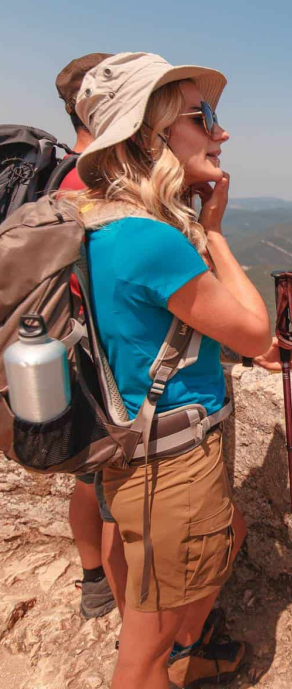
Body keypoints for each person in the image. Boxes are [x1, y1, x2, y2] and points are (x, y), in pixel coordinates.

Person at [70, 51, 292, 689]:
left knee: (227, 534)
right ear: (151, 134)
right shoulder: (150, 239)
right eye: (202, 119)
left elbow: (143, 328)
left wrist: (240, 348)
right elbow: (254, 326)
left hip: (132, 450)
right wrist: (216, 232)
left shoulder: (98, 220)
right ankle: (171, 660)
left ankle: (183, 651)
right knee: (140, 660)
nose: (221, 132)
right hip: (170, 466)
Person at [55, 52, 128, 619]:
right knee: (115, 505)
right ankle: (139, 634)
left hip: (65, 351)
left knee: (88, 481)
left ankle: (93, 582)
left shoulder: (59, 173)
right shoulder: (94, 181)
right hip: (101, 365)